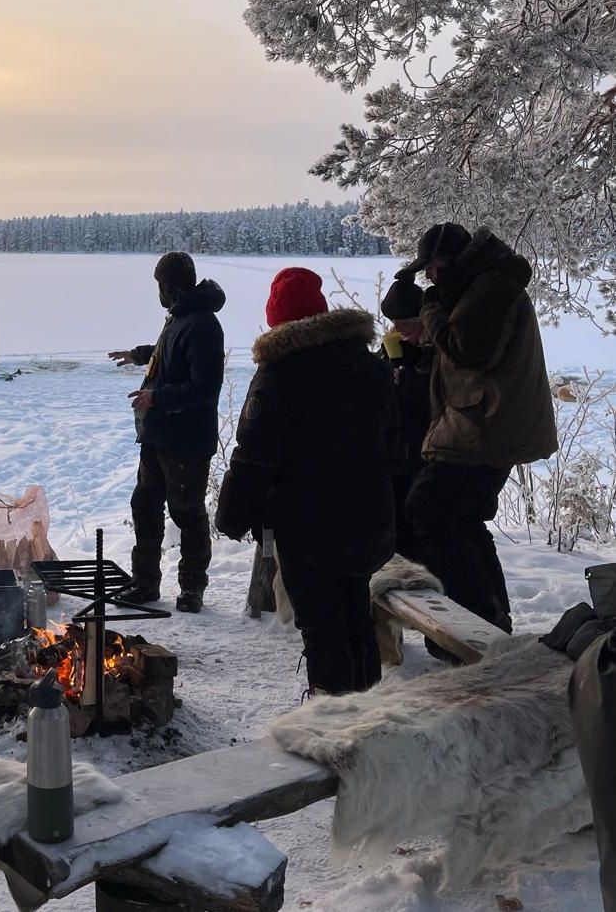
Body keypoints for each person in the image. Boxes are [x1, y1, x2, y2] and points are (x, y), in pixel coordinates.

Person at [216, 267, 396, 695]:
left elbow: (253, 459)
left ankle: (334, 725)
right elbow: (392, 438)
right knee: (355, 615)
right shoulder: (369, 367)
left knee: (322, 628)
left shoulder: (279, 379)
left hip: (312, 528)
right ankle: (368, 714)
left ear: (277, 320)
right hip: (369, 518)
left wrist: (230, 516)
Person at [402, 223, 557, 636]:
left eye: (431, 268)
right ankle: (489, 622)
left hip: (487, 426)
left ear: (450, 262)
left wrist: (431, 310)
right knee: (462, 519)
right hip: (486, 423)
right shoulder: (484, 284)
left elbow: (470, 349)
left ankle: (469, 627)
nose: (429, 278)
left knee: (428, 511)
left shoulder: (491, 287)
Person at [108, 252, 225, 613]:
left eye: (159, 286)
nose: (157, 292)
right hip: (158, 436)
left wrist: (156, 397)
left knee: (186, 512)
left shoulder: (203, 324)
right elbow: (168, 352)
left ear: (171, 288)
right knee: (144, 506)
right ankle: (145, 584)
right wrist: (139, 354)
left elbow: (205, 389)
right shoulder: (180, 317)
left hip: (186, 442)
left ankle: (192, 589)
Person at [379, 273, 433, 560]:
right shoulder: (392, 348)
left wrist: (408, 379)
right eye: (396, 324)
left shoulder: (435, 350)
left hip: (421, 450)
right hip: (395, 451)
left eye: (408, 324)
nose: (400, 330)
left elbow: (436, 397)